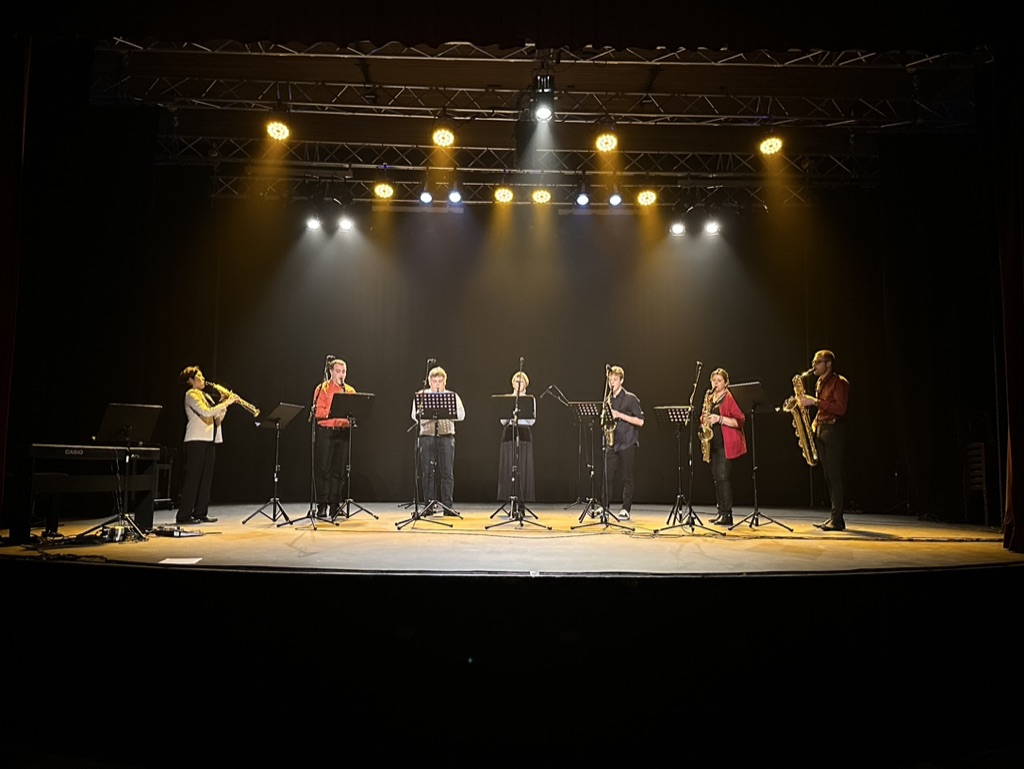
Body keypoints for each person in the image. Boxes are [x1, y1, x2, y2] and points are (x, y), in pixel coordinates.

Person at [175, 365, 237, 525]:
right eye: (199, 376)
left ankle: (201, 512)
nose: (203, 379)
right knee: (193, 478)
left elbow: (216, 418)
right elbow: (206, 412)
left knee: (206, 479)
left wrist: (223, 403)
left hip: (209, 440)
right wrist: (226, 403)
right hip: (195, 440)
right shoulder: (191, 394)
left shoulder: (205, 396)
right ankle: (184, 515)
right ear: (190, 380)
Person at [799, 349, 851, 531]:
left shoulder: (840, 382)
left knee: (834, 476)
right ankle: (834, 517)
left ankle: (837, 519)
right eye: (813, 362)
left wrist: (814, 402)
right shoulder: (820, 382)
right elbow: (824, 409)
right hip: (821, 429)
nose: (814, 365)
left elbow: (840, 409)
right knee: (828, 476)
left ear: (828, 364)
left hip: (834, 430)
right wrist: (814, 422)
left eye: (818, 362)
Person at [411, 366, 466, 514]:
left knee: (447, 472)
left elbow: (462, 415)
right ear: (429, 382)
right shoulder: (422, 395)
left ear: (445, 382)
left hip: (446, 437)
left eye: (440, 381)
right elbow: (414, 415)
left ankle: (448, 506)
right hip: (427, 437)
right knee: (427, 473)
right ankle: (428, 506)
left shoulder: (452, 396)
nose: (437, 384)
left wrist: (448, 412)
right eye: (434, 381)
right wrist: (425, 413)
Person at [700, 367, 748, 526]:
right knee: (716, 478)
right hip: (713, 443)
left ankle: (727, 514)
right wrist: (704, 419)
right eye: (713, 380)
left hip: (726, 444)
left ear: (726, 383)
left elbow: (740, 421)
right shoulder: (710, 398)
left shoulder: (729, 398)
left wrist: (719, 419)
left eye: (719, 380)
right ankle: (720, 511)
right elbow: (704, 417)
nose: (716, 383)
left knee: (723, 477)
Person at [313, 358, 356, 518]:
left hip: (342, 433)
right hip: (326, 432)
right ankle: (322, 505)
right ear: (331, 372)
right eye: (338, 371)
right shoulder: (322, 389)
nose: (341, 375)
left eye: (343, 371)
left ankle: (335, 505)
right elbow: (318, 412)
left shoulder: (349, 391)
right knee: (324, 469)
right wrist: (333, 412)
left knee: (339, 471)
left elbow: (354, 413)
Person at [603, 365, 645, 520]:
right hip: (612, 442)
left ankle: (625, 509)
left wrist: (620, 415)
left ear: (621, 380)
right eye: (610, 380)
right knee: (607, 476)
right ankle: (604, 506)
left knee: (627, 477)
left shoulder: (630, 398)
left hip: (627, 441)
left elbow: (641, 421)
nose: (612, 383)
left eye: (615, 379)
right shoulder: (608, 399)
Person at [497, 371, 536, 502]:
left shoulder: (530, 399)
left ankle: (523, 497)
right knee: (509, 463)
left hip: (524, 431)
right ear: (512, 384)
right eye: (516, 381)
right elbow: (502, 420)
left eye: (521, 381)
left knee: (523, 465)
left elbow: (532, 420)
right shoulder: (507, 398)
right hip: (510, 431)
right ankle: (508, 496)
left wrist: (520, 417)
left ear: (526, 384)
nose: (518, 384)